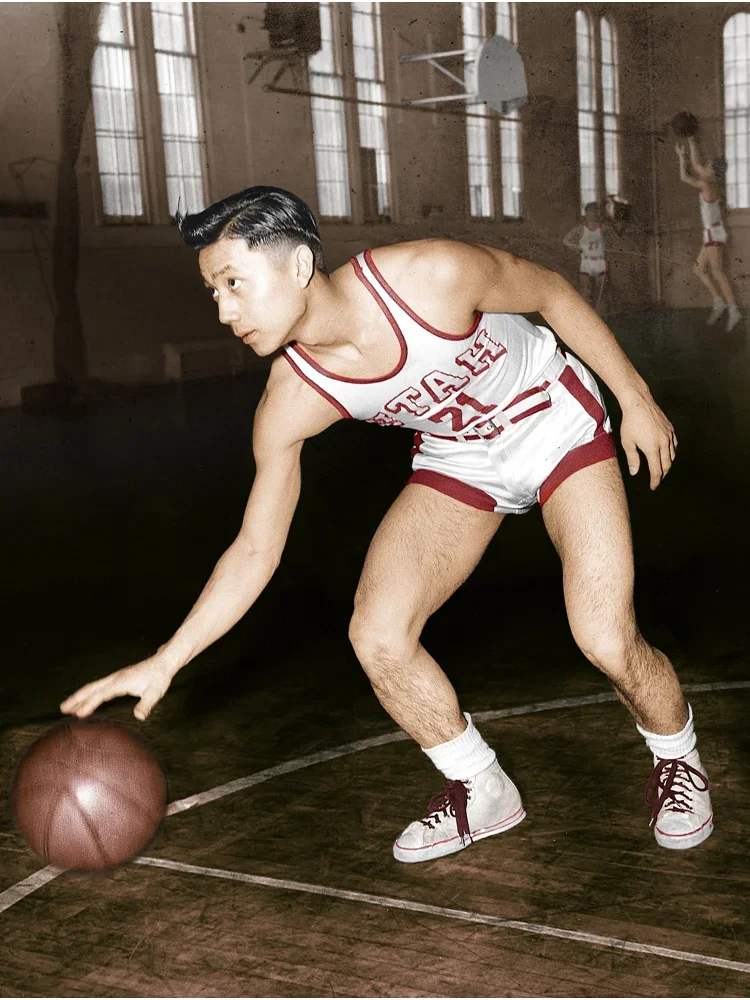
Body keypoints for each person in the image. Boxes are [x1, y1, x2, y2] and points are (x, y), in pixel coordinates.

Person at [61, 186, 712, 862]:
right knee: (378, 635)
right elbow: (256, 548)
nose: (224, 310)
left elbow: (550, 291)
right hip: (461, 461)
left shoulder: (426, 276)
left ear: (296, 265)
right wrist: (168, 661)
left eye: (233, 283)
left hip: (553, 422)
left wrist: (635, 398)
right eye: (213, 292)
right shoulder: (293, 399)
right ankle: (481, 787)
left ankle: (679, 760)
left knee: (605, 635)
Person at [676, 138, 741, 331]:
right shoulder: (715, 183)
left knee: (717, 271)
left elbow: (684, 176)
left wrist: (681, 157)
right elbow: (696, 165)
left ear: (713, 170)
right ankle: (719, 300)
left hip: (713, 233)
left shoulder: (706, 184)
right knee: (698, 269)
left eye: (709, 166)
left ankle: (733, 310)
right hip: (712, 232)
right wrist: (691, 141)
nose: (705, 166)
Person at [562, 201, 620, 313]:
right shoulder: (581, 229)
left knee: (601, 292)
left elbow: (616, 240)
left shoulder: (604, 228)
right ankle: (587, 315)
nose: (594, 214)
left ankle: (602, 317)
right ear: (587, 212)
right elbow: (566, 240)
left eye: (596, 211)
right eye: (591, 211)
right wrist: (577, 247)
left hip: (599, 262)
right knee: (586, 291)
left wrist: (608, 248)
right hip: (586, 262)